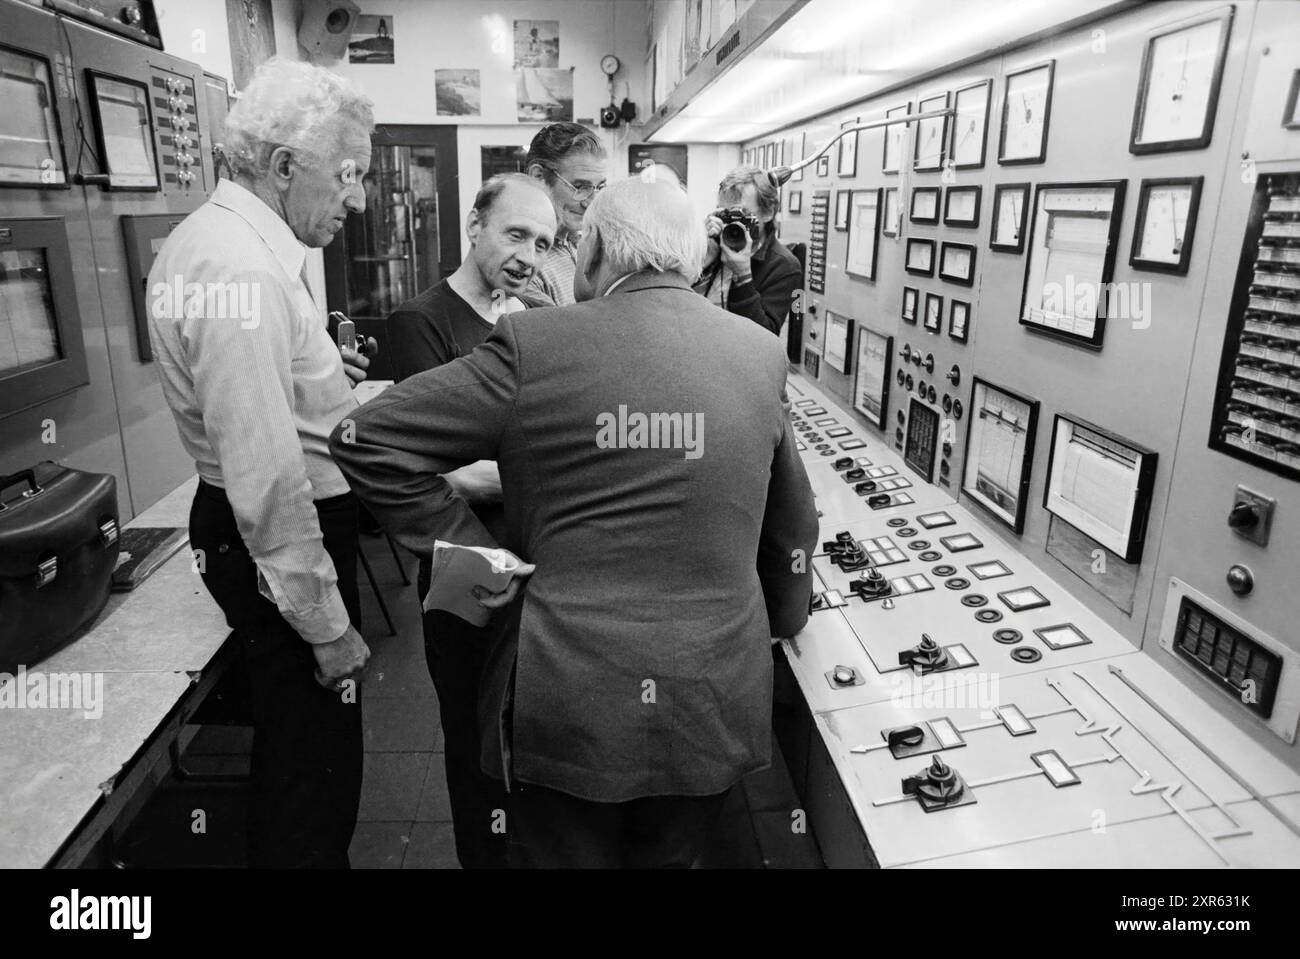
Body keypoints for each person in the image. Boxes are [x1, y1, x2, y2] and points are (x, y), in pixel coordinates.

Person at [330, 175, 819, 868]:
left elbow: (363, 440)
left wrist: (482, 568)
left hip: (568, 702)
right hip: (711, 696)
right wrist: (780, 620)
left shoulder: (533, 345)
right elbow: (790, 527)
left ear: (592, 254)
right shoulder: (760, 352)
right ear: (690, 256)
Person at [148, 57, 375, 868]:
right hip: (283, 546)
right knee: (311, 776)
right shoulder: (236, 266)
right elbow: (269, 481)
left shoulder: (233, 243)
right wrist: (327, 625)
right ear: (284, 166)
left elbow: (260, 404)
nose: (359, 198)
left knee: (311, 761)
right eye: (349, 174)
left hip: (273, 535)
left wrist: (320, 383)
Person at [384, 173, 556, 868]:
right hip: (460, 569)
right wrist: (525, 463)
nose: (529, 254)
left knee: (525, 731)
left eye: (543, 242)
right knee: (471, 738)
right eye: (516, 234)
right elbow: (430, 465)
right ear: (475, 226)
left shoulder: (529, 321)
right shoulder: (420, 324)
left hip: (532, 564)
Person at [694, 165, 802, 336]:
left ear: (768, 212)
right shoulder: (712, 243)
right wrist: (699, 254)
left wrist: (743, 277)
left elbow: (764, 337)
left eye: (741, 214)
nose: (732, 223)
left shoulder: (784, 266)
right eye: (725, 214)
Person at [523, 122, 608, 306]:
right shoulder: (524, 263)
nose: (591, 202)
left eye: (599, 187)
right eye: (579, 187)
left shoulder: (580, 243)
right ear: (538, 177)